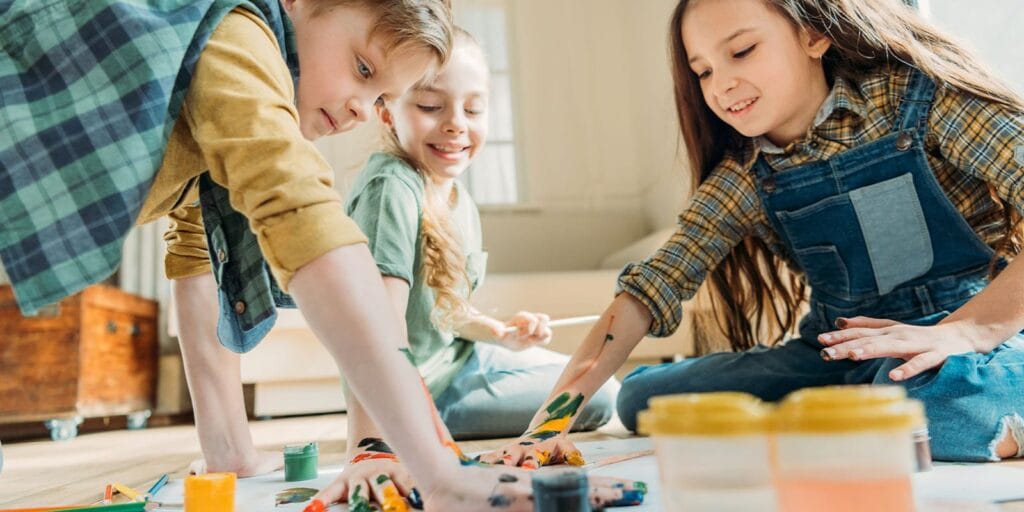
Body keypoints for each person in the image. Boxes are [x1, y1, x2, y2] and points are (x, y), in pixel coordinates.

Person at [0, 1, 636, 510]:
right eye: (364, 69)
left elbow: (195, 251)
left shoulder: (212, 99)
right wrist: (434, 471)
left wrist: (229, 459)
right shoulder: (236, 29)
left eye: (381, 95)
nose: (363, 109)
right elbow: (300, 214)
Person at [480, 0, 1024, 469]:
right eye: (703, 70)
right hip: (837, 354)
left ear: (813, 33)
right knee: (647, 398)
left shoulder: (918, 101)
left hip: (965, 341)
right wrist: (546, 429)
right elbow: (650, 290)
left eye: (741, 52)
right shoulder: (746, 176)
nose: (722, 85)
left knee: (923, 402)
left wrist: (964, 333)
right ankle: (859, 414)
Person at [319, 27, 622, 507]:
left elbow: (444, 310)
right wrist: (370, 444)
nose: (457, 124)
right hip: (421, 389)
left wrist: (500, 332)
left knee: (584, 382)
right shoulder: (391, 188)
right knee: (601, 399)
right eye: (431, 106)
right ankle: (410, 424)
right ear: (385, 110)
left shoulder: (458, 196)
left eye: (473, 109)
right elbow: (375, 323)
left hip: (461, 361)